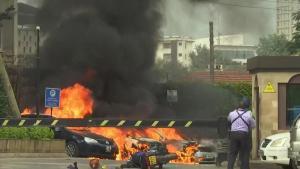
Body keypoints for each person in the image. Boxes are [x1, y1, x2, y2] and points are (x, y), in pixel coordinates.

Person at [227, 97, 256, 169]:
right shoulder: (249, 115)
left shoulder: (232, 113)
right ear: (247, 106)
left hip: (233, 135)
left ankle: (230, 167)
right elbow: (253, 126)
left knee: (232, 154)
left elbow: (229, 121)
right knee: (245, 154)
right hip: (244, 135)